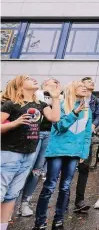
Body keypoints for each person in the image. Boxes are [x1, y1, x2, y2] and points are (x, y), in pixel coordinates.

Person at [1, 75, 60, 230]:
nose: (34, 79)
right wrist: (15, 123)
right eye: (28, 78)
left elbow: (55, 117)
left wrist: (55, 98)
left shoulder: (40, 104)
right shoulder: (11, 104)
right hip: (9, 153)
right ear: (20, 85)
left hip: (29, 154)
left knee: (12, 195)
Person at [33, 81, 91, 230]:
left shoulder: (87, 109)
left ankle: (58, 221)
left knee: (65, 187)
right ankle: (40, 222)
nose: (85, 88)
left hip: (74, 153)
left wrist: (83, 152)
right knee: (50, 186)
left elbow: (87, 134)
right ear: (72, 89)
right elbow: (59, 126)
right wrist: (74, 113)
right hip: (57, 151)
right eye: (81, 86)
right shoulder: (62, 104)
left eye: (86, 87)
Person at [19, 78, 61, 217]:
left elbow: (56, 118)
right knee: (25, 166)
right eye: (51, 82)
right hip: (33, 133)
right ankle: (12, 198)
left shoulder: (59, 98)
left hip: (49, 135)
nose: (55, 84)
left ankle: (25, 201)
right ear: (44, 85)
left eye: (56, 82)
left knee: (37, 169)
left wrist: (57, 99)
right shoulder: (36, 95)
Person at [74, 77, 99, 213]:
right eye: (88, 81)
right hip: (72, 136)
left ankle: (80, 200)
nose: (91, 83)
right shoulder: (74, 98)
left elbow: (98, 115)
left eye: (92, 82)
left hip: (87, 136)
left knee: (84, 167)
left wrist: (93, 124)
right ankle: (64, 198)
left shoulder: (96, 100)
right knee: (67, 168)